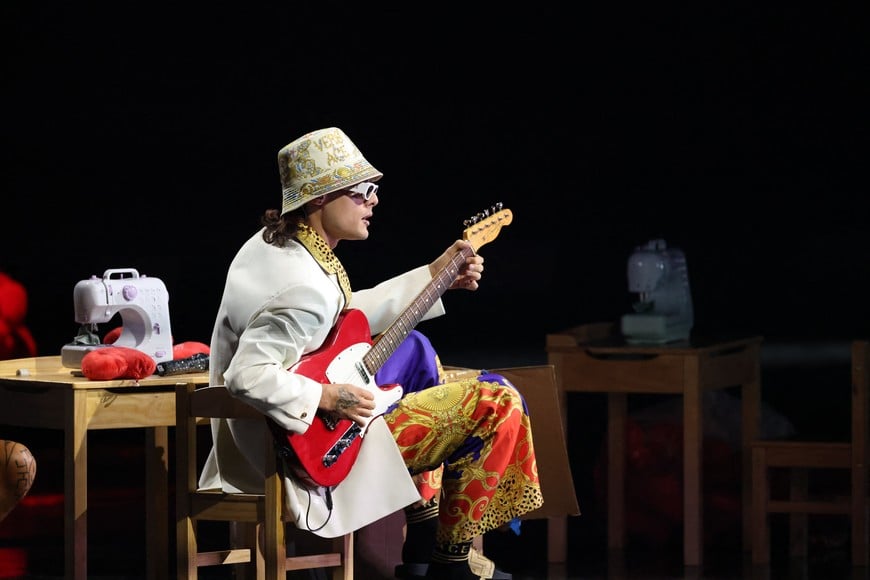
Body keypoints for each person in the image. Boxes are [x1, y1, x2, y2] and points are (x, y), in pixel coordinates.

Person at [200, 127, 543, 580]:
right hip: (303, 455)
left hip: (267, 440)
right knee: (497, 401)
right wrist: (328, 399)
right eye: (362, 191)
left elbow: (339, 316)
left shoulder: (276, 245)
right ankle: (449, 563)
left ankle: (423, 531)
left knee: (415, 349)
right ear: (320, 198)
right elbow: (248, 375)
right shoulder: (301, 286)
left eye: (373, 190)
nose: (374, 201)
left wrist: (433, 275)